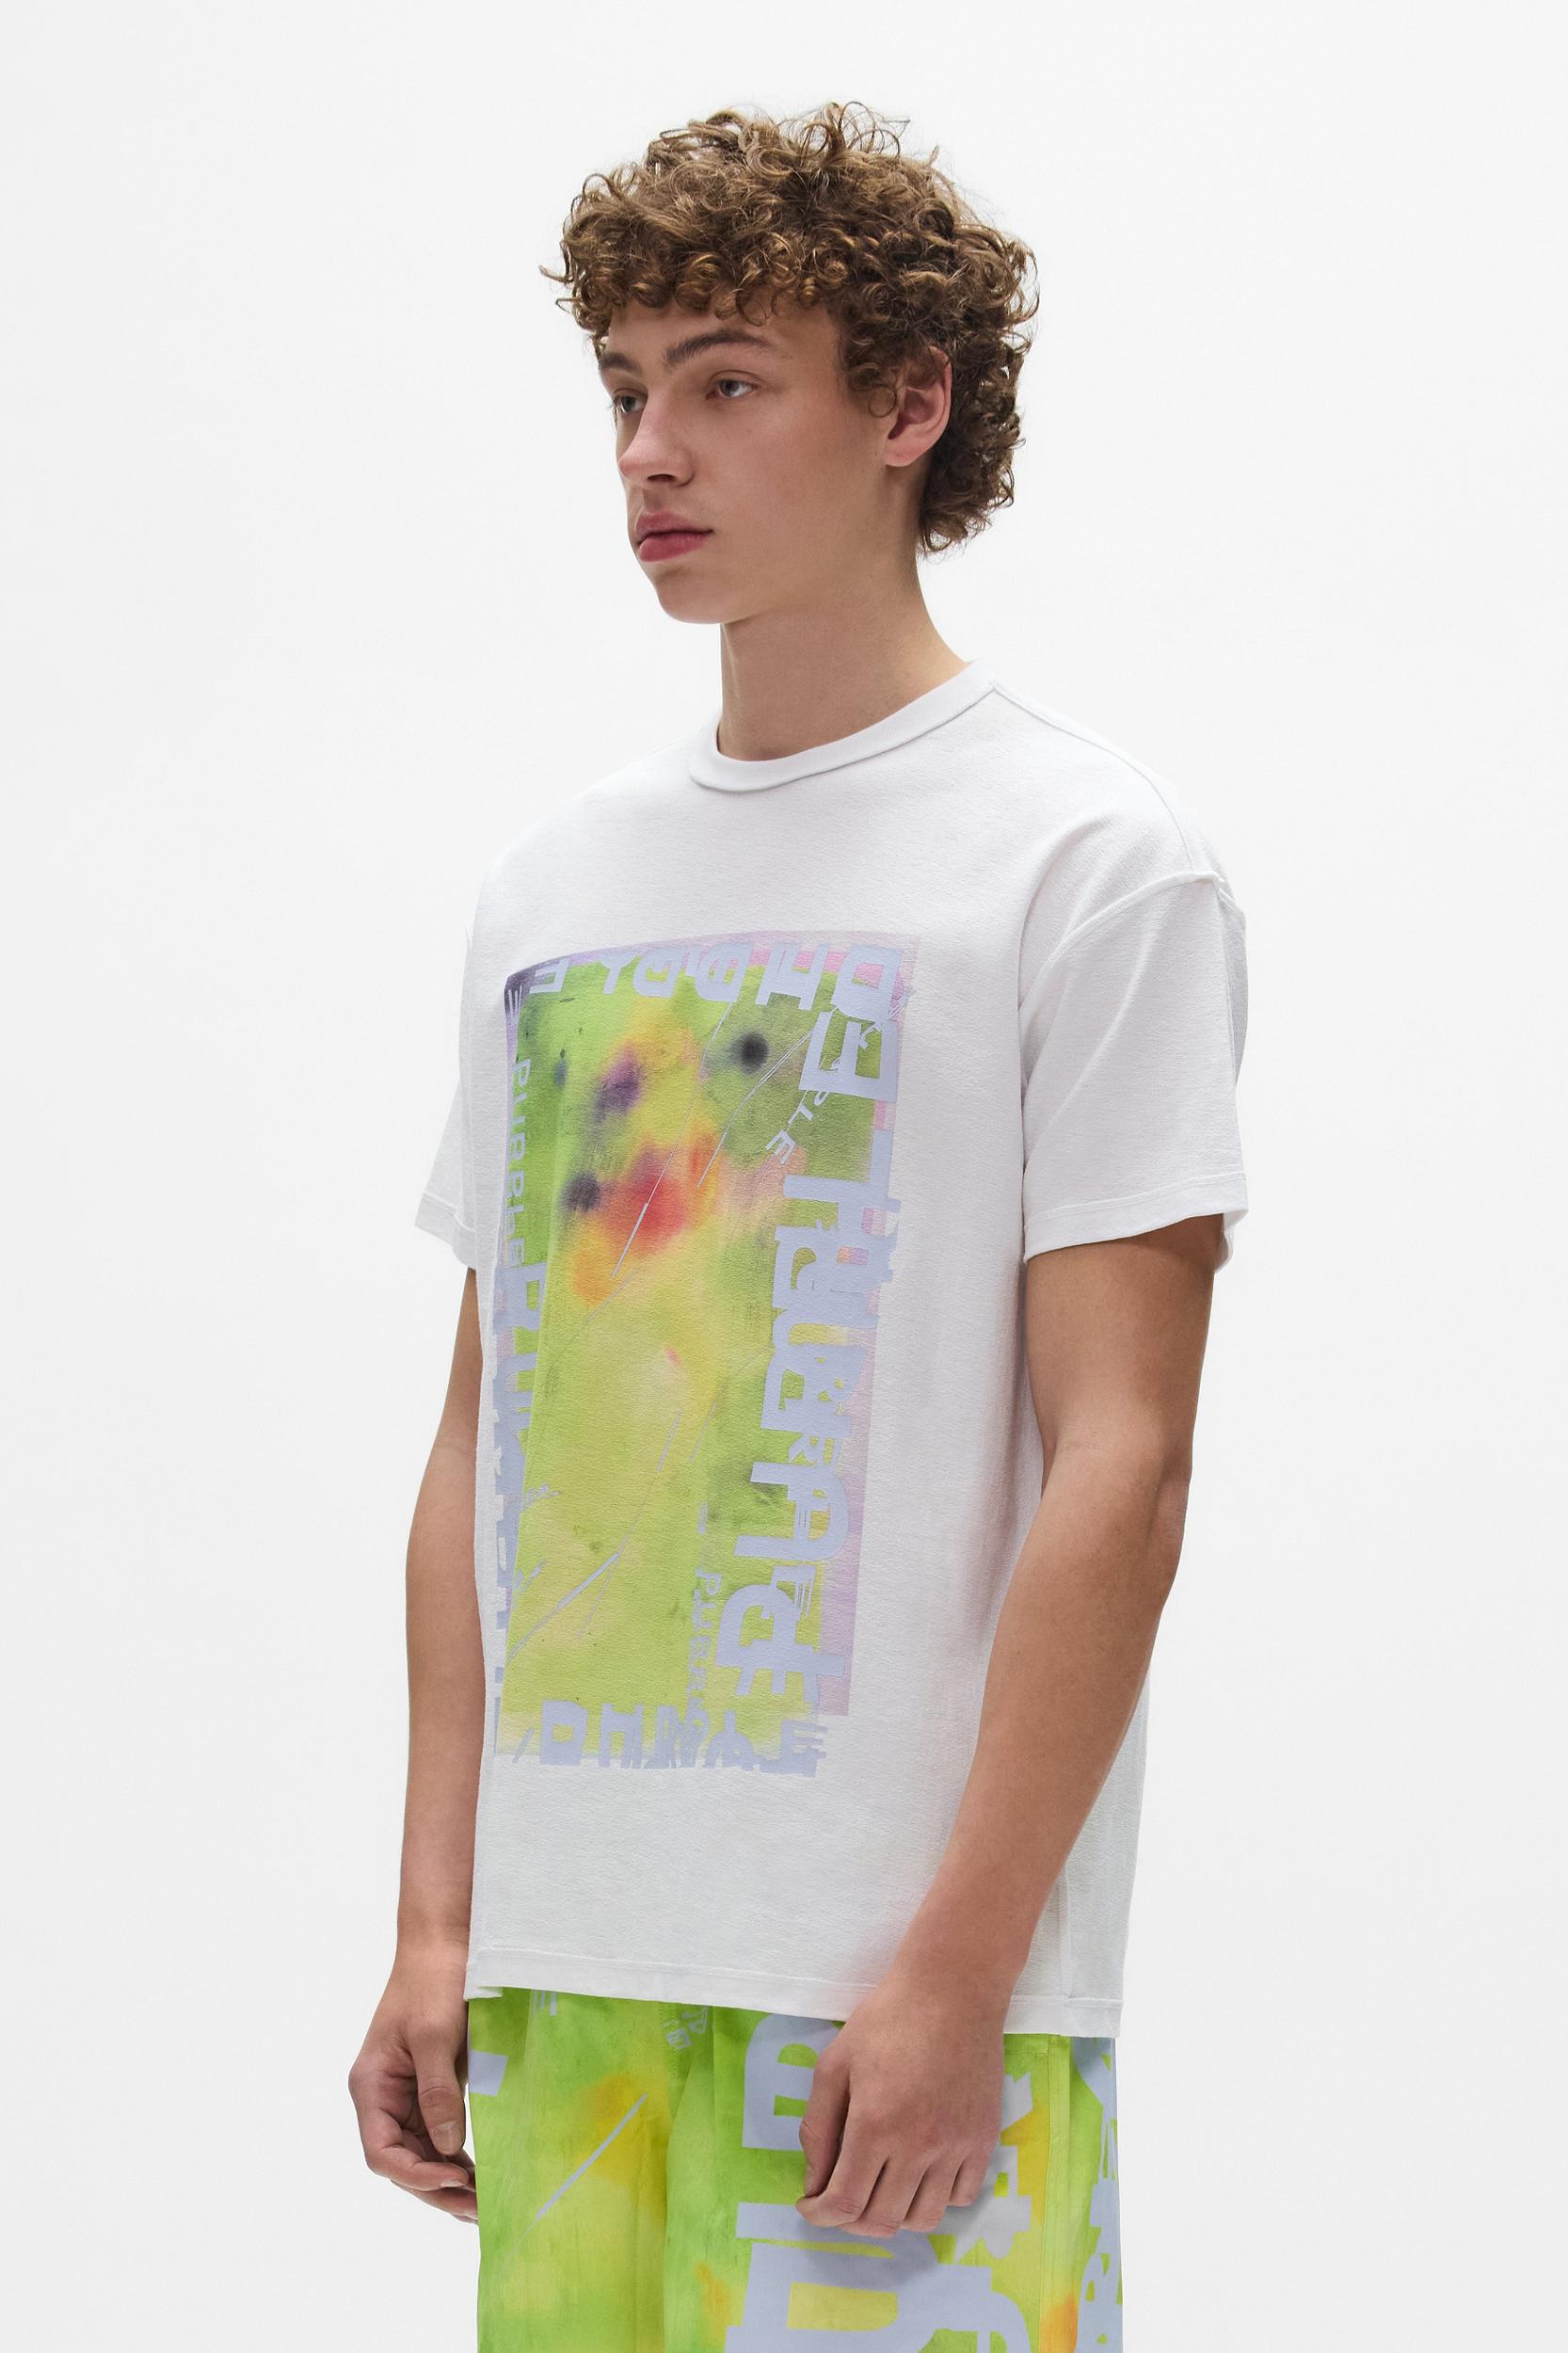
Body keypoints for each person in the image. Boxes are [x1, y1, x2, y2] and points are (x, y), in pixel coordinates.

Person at [348, 96, 1249, 2353]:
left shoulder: (1082, 861)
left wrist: (965, 1964)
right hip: (565, 1988)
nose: (649, 449)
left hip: (898, 2009)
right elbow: (483, 1440)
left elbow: (1124, 1461)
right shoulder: (553, 889)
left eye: (726, 380)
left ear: (906, 405)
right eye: (624, 388)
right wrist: (441, 1923)